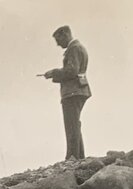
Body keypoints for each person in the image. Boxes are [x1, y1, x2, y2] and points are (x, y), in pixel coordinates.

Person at [43, 25, 91, 160]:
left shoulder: (73, 49)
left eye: (58, 40)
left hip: (72, 92)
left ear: (65, 35)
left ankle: (72, 157)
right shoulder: (78, 47)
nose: (58, 44)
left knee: (71, 126)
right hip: (79, 90)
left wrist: (54, 73)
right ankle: (78, 156)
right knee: (74, 124)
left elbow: (71, 71)